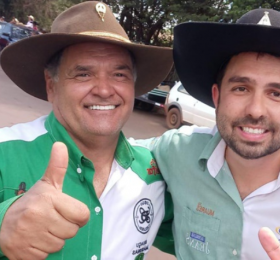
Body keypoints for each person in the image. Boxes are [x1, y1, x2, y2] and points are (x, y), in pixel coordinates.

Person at [140, 8, 280, 259]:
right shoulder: (176, 151)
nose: (256, 110)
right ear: (217, 97)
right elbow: (107, 157)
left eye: (276, 93)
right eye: (241, 88)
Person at [0, 1, 174, 259]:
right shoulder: (5, 153)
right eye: (83, 75)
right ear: (52, 85)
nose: (104, 90)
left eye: (119, 75)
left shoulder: (153, 172)